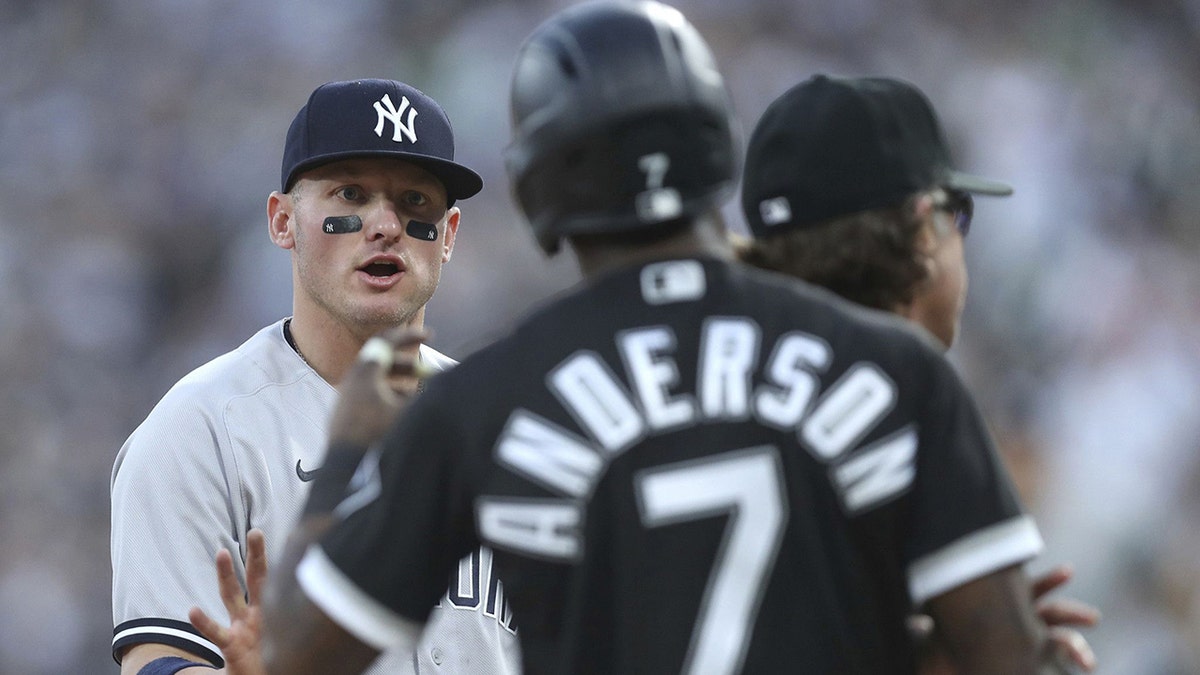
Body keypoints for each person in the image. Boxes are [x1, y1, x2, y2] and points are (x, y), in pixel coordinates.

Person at [192, 2, 1076, 673]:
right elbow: (1010, 653)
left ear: (541, 187)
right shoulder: (892, 368)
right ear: (713, 151)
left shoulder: (480, 405)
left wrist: (349, 450)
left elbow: (294, 656)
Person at [110, 78, 521, 675]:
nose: (384, 225)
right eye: (350, 195)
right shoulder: (200, 430)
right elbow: (159, 662)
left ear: (449, 235)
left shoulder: (510, 427)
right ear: (283, 222)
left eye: (415, 203)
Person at [736, 74, 1101, 673]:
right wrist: (987, 637)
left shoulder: (706, 379)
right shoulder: (908, 384)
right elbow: (1010, 662)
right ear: (925, 225)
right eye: (960, 218)